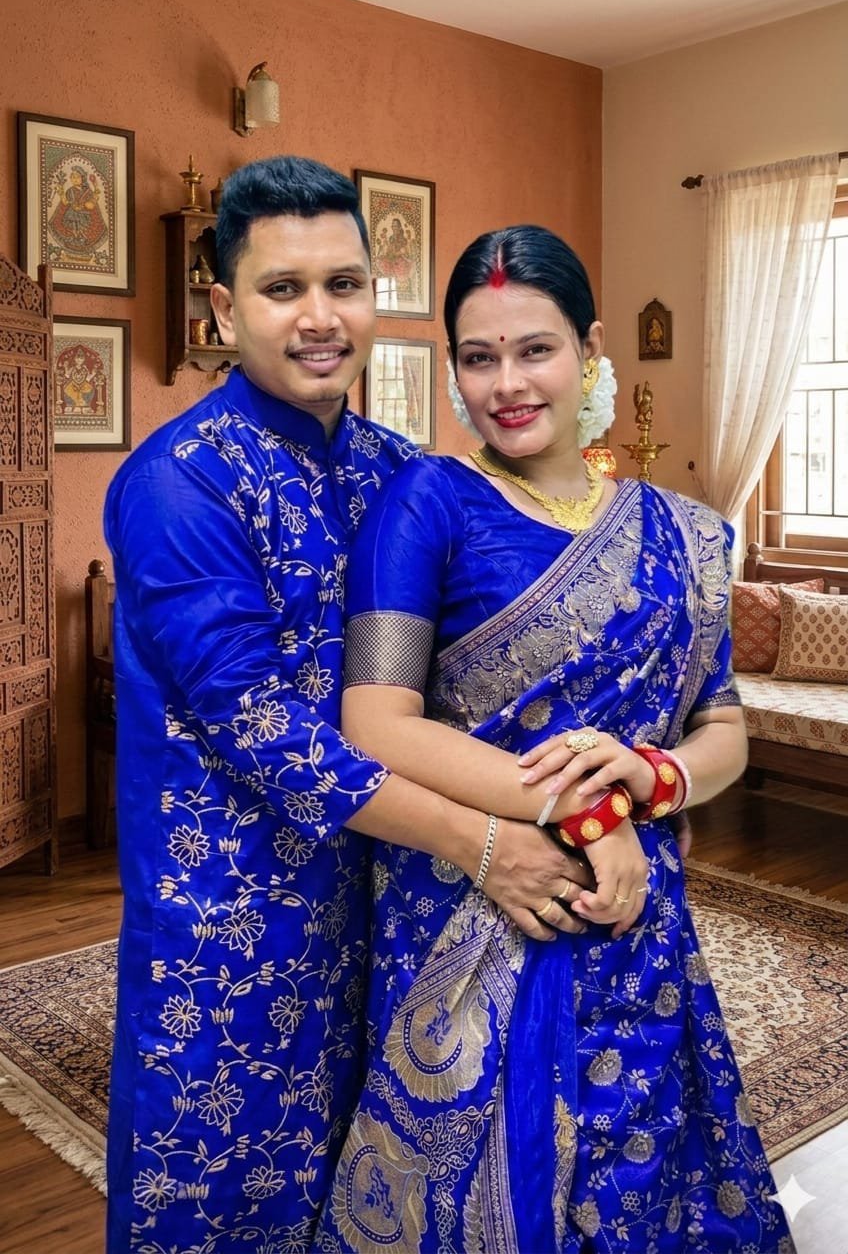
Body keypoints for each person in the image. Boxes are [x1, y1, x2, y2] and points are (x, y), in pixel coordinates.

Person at [103, 164, 591, 1253]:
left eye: (344, 284)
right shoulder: (181, 482)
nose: (319, 317)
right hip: (230, 933)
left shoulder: (399, 473)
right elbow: (263, 731)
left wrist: (611, 790)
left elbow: (482, 676)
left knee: (373, 1200)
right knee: (216, 1207)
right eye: (282, 289)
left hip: (387, 914)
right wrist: (486, 842)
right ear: (224, 306)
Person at [317, 226, 795, 1252]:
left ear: (589, 349)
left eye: (533, 349)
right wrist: (587, 810)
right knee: (498, 1177)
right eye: (477, 356)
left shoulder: (684, 534)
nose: (506, 384)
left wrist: (654, 778)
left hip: (635, 914)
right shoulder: (426, 504)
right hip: (480, 900)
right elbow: (375, 721)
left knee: (642, 1171)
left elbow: (722, 729)